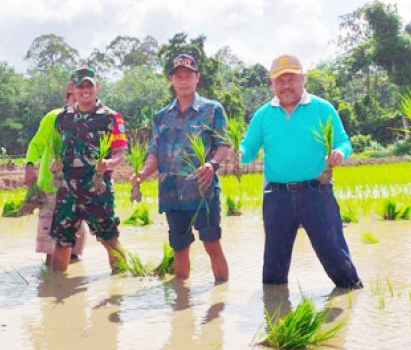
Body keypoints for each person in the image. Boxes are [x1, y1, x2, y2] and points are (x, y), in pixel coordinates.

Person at [238, 54, 362, 289]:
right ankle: (276, 312)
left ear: (303, 79)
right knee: (274, 263)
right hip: (277, 196)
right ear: (272, 83)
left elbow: (343, 141)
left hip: (317, 192)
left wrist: (339, 152)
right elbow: (249, 149)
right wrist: (237, 153)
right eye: (280, 81)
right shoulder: (263, 115)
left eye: (291, 79)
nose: (286, 86)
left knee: (334, 254)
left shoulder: (322, 108)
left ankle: (351, 299)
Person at [136, 54, 229, 283]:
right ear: (172, 80)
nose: (184, 81)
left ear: (197, 78)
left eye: (189, 76)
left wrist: (212, 164)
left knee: (211, 243)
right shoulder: (161, 116)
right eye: (179, 77)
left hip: (203, 191)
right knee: (179, 247)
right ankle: (181, 300)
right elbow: (154, 153)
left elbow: (224, 145)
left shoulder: (212, 110)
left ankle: (221, 297)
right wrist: (142, 175)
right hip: (172, 194)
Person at [50, 68, 127, 272]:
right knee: (61, 241)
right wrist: (54, 164)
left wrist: (108, 164)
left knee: (110, 239)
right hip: (67, 192)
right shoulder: (63, 118)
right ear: (72, 89)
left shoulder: (111, 118)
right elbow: (56, 150)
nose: (85, 90)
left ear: (96, 87)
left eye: (89, 86)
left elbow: (120, 153)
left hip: (97, 190)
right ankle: (57, 288)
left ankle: (120, 288)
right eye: (80, 86)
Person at [24, 82, 87, 265]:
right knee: (50, 243)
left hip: (77, 187)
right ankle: (51, 283)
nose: (76, 101)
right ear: (66, 97)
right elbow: (37, 144)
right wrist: (29, 166)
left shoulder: (89, 120)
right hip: (51, 186)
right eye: (72, 96)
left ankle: (63, 284)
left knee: (75, 242)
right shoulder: (53, 117)